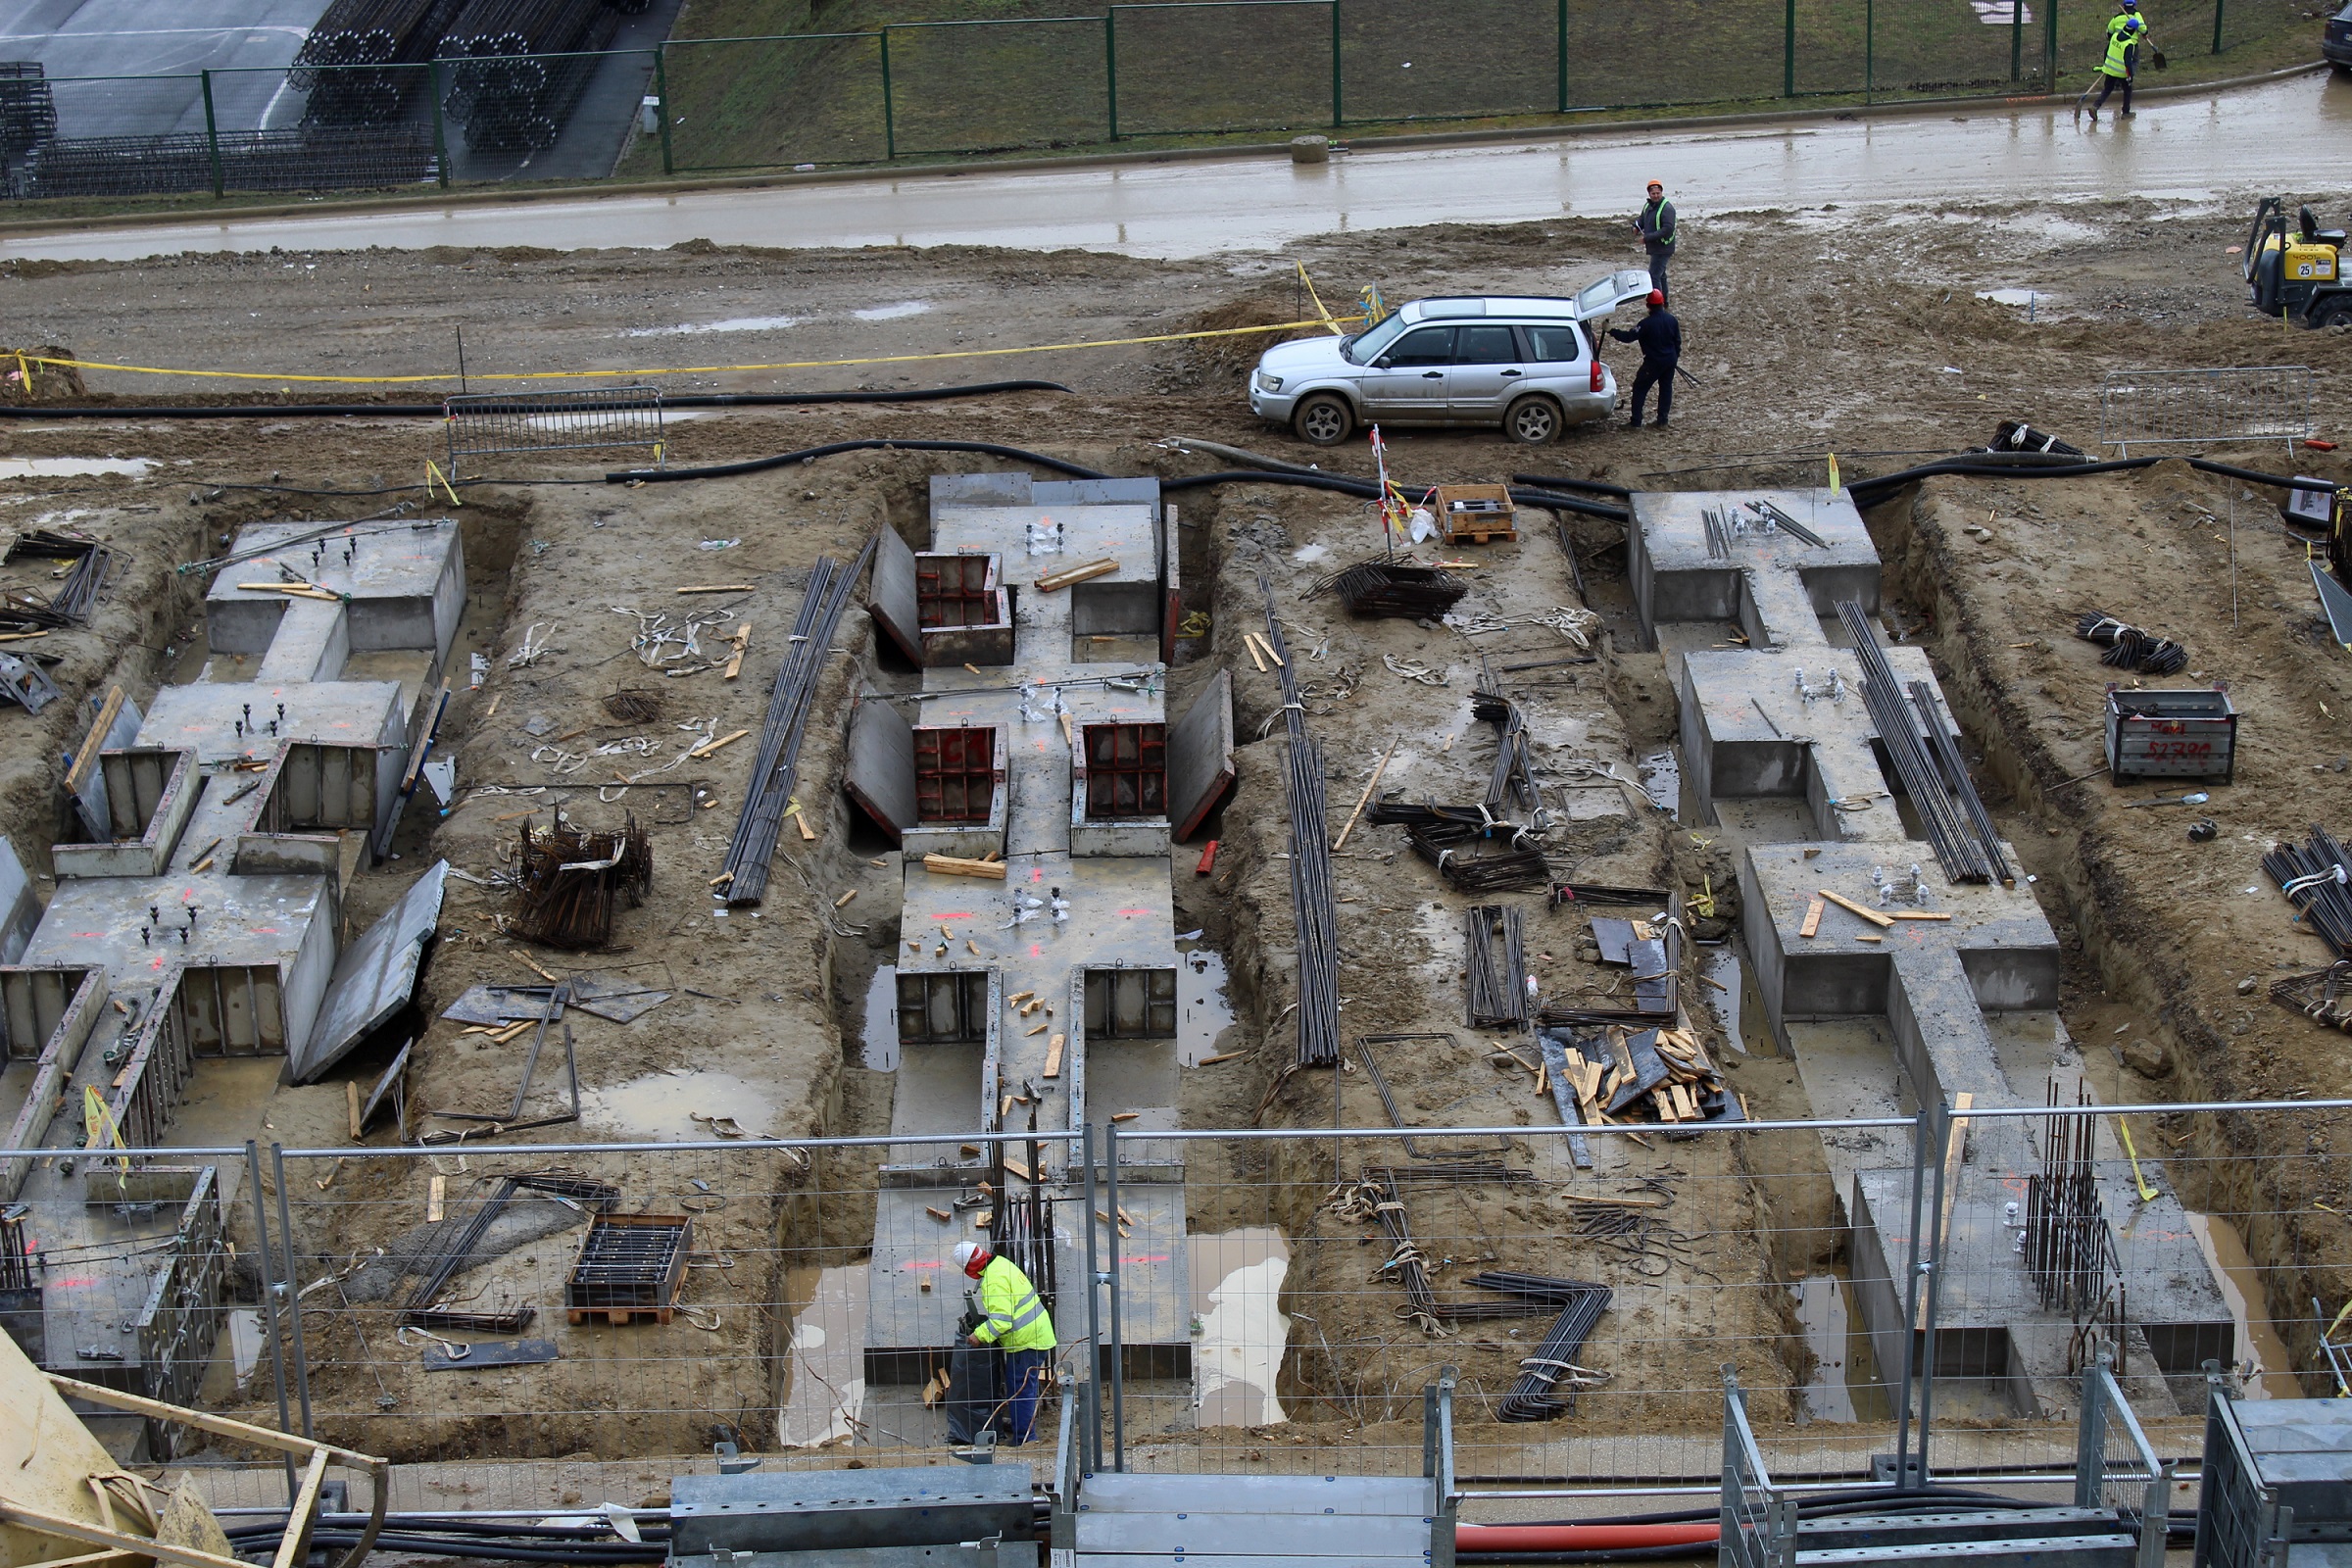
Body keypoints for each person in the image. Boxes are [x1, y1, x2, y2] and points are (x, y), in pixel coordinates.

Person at [954, 1240, 1055, 1445]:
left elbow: (1002, 1321)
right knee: (1022, 1387)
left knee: (1020, 1390)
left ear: (969, 1268)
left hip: (1027, 1341)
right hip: (1035, 1334)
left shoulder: (993, 1280)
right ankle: (1021, 1426)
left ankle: (1024, 1439)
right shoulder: (1000, 1263)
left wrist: (979, 1335)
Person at [1609, 290, 1682, 430]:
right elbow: (1677, 342)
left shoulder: (1645, 324)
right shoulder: (1672, 320)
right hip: (1669, 361)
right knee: (1666, 388)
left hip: (1653, 363)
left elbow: (1628, 337)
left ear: (1648, 306)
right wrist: (1674, 359)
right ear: (1662, 303)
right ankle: (1662, 421)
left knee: (1639, 388)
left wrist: (1611, 330)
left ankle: (1636, 422)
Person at [2083, 2, 2148, 121]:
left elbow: (2109, 49)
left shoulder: (2114, 37)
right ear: (2134, 31)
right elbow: (2128, 62)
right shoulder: (2129, 44)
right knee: (2128, 90)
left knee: (2107, 89)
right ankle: (2126, 112)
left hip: (2110, 69)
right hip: (2121, 72)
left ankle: (2095, 106)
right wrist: (2130, 76)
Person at [1633, 180, 1678, 304]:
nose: (1656, 196)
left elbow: (1667, 230)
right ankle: (1665, 300)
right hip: (1655, 247)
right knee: (1661, 275)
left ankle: (1658, 303)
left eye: (1658, 193)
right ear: (1649, 194)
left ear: (1662, 192)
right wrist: (1636, 226)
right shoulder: (1648, 205)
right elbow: (1642, 218)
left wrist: (1647, 238)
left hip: (1663, 248)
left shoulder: (1667, 208)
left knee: (1654, 276)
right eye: (1653, 193)